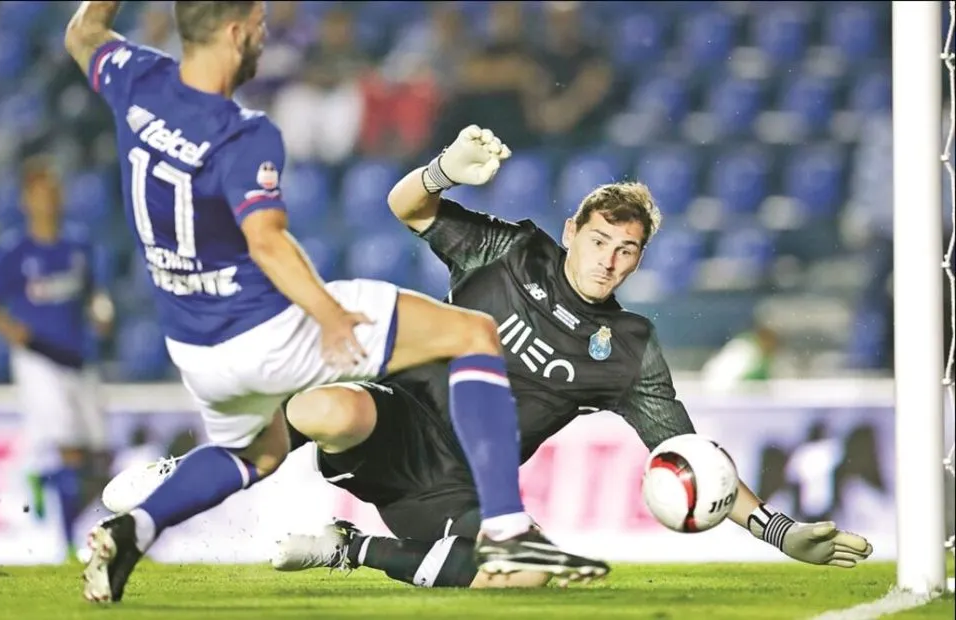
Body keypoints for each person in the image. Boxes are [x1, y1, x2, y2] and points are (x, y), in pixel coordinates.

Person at [63, 1, 607, 603]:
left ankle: (131, 530)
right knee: (473, 334)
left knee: (257, 453)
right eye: (261, 30)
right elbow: (265, 241)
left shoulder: (136, 80)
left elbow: (84, 31)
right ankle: (507, 530)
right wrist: (327, 314)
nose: (264, 42)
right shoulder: (245, 133)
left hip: (195, 347)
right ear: (235, 31)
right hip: (261, 329)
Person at [266, 136, 877, 589]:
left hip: (467, 488)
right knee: (325, 407)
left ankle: (349, 549)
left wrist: (780, 531)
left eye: (627, 250)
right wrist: (443, 171)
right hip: (398, 422)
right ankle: (198, 468)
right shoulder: (509, 254)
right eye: (599, 241)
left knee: (526, 576)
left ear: (639, 260)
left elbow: (689, 455)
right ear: (571, 232)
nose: (608, 261)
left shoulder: (630, 349)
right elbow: (406, 205)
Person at [0, 156, 114, 559]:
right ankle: (66, 544)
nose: (47, 201)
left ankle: (43, 480)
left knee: (99, 456)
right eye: (39, 194)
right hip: (38, 358)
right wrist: (10, 328)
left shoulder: (78, 245)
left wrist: (101, 311)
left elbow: (93, 293)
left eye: (52, 192)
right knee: (68, 446)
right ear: (25, 201)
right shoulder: (15, 251)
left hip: (78, 356)